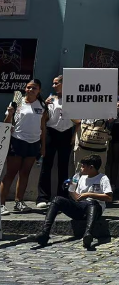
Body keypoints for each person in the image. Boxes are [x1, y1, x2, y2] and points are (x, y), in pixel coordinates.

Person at [32, 154, 112, 249]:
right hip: (81, 207)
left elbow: (109, 197)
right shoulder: (80, 177)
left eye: (83, 166)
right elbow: (77, 198)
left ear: (91, 167)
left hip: (94, 208)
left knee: (92, 203)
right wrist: (70, 188)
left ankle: (88, 234)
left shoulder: (102, 178)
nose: (81, 168)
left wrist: (89, 194)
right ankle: (44, 233)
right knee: (57, 199)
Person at [1, 79, 49, 215]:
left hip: (34, 143)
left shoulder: (42, 105)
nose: (30, 90)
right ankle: (1, 204)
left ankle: (19, 202)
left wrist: (43, 146)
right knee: (10, 173)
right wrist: (10, 114)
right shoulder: (17, 101)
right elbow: (7, 123)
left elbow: (43, 127)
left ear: (39, 90)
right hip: (17, 141)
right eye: (28, 87)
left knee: (25, 174)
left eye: (34, 88)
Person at [37, 75, 75, 209]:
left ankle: (62, 196)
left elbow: (78, 120)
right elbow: (45, 119)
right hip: (51, 133)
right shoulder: (51, 99)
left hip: (66, 133)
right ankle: (42, 197)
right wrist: (45, 106)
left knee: (63, 166)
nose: (53, 86)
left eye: (56, 83)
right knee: (46, 165)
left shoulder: (73, 99)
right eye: (53, 83)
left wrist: (74, 135)